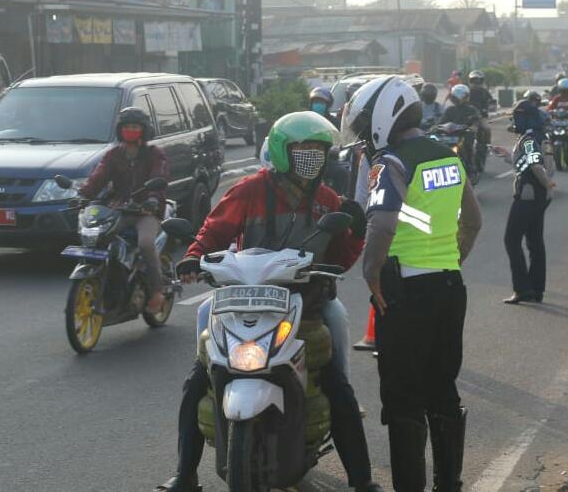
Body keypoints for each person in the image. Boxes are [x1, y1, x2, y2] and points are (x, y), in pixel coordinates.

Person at [161, 113, 381, 492]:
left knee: (336, 382)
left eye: (318, 150)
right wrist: (193, 257)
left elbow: (339, 260)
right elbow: (213, 231)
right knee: (199, 379)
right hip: (244, 299)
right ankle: (185, 475)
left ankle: (362, 481)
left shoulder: (328, 201)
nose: (312, 156)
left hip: (305, 304)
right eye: (304, 148)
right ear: (282, 151)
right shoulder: (249, 190)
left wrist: (356, 234)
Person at [342, 76, 483, 492]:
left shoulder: (391, 163)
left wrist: (371, 274)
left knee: (403, 400)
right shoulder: (447, 156)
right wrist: (451, 261)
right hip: (450, 288)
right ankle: (449, 484)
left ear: (384, 118)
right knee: (443, 390)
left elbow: (382, 223)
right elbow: (473, 222)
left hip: (405, 294)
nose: (363, 136)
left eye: (364, 125)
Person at [79, 107, 169, 317]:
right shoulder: (113, 155)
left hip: (146, 212)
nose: (131, 130)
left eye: (135, 127)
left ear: (144, 130)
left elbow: (160, 178)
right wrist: (83, 195)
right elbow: (98, 177)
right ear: (120, 130)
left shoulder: (155, 154)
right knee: (98, 237)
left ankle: (157, 292)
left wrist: (152, 199)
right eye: (127, 126)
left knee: (145, 244)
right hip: (119, 209)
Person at [504, 98, 556, 305]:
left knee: (511, 240)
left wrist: (547, 182)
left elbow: (535, 164)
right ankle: (536, 289)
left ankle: (522, 288)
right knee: (535, 242)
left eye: (516, 117)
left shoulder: (528, 139)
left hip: (528, 195)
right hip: (540, 196)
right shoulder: (541, 136)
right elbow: (529, 162)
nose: (514, 121)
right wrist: (507, 156)